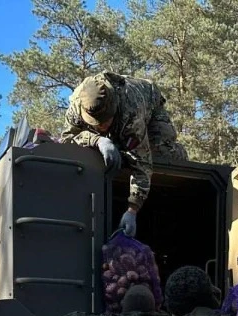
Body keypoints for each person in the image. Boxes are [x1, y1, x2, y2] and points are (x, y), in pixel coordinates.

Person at [62, 72, 188, 237]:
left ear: (113, 110)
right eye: (95, 123)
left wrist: (132, 210)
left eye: (105, 121)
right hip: (119, 115)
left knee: (161, 152)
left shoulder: (132, 112)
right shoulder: (78, 105)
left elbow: (142, 164)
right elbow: (67, 138)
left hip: (149, 100)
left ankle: (179, 152)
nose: (101, 127)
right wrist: (97, 140)